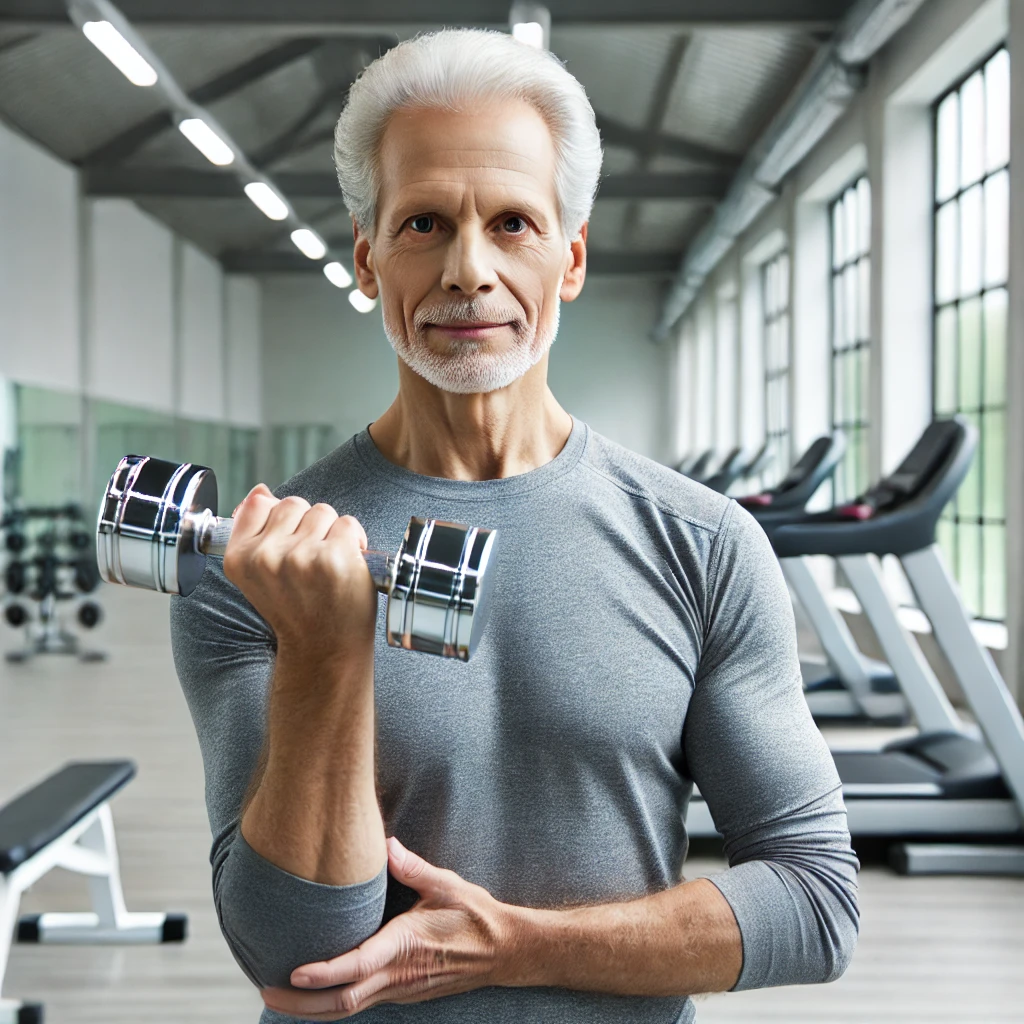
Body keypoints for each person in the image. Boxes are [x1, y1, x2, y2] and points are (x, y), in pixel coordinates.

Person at [170, 28, 859, 1023]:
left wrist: (510, 946)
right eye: (422, 226)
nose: (466, 270)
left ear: (568, 259)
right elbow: (291, 954)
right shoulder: (259, 563)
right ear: (367, 259)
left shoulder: (703, 545)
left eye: (511, 223)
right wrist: (325, 652)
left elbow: (815, 905)